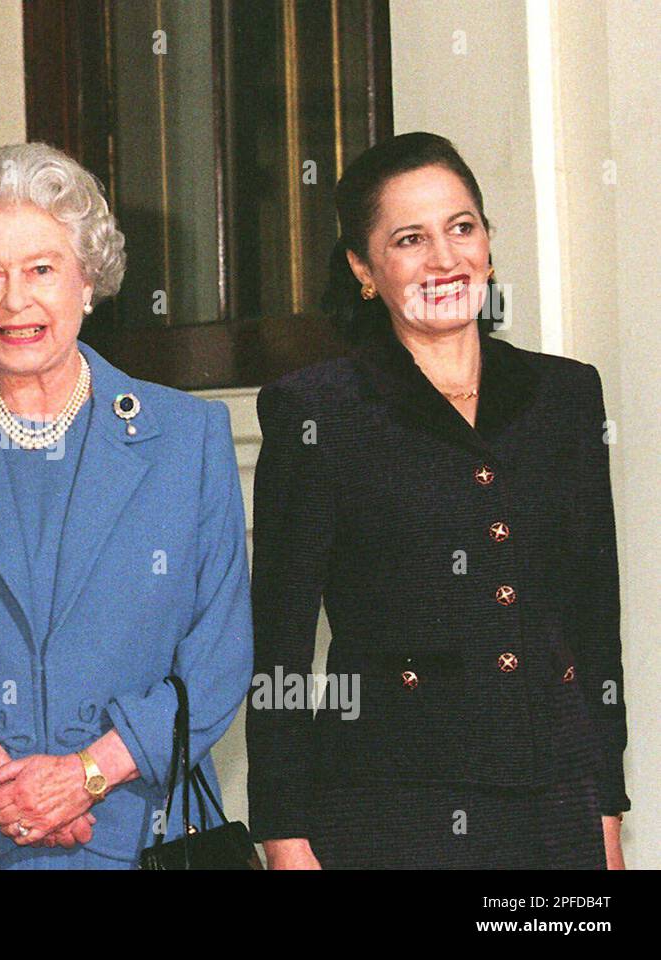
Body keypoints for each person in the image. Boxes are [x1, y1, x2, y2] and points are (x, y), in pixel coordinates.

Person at [0, 142, 253, 869]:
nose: (15, 300)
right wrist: (5, 783)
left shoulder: (187, 438)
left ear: (88, 281)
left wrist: (84, 777)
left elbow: (217, 657)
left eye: (42, 270)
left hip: (141, 838)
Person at [247, 132, 629, 869]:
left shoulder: (567, 396)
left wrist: (607, 807)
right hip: (390, 809)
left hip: (558, 806)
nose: (445, 260)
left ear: (488, 242)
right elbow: (282, 650)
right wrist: (284, 836)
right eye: (410, 240)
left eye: (462, 228)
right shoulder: (317, 411)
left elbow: (593, 622)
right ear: (364, 268)